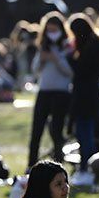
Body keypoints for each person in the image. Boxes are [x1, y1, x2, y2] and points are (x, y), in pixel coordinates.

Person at [67, 13, 99, 186]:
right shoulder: (97, 44)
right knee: (85, 132)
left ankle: (88, 169)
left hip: (85, 95)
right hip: (91, 94)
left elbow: (80, 70)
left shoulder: (90, 48)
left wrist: (69, 57)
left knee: (85, 134)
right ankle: (88, 168)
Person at [28, 12, 72, 168]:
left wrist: (57, 59)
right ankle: (31, 164)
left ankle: (59, 162)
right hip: (44, 91)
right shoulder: (42, 47)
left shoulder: (68, 46)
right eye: (49, 30)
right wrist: (42, 59)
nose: (52, 33)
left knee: (57, 130)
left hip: (61, 92)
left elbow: (70, 72)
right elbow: (35, 70)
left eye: (54, 30)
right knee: (37, 129)